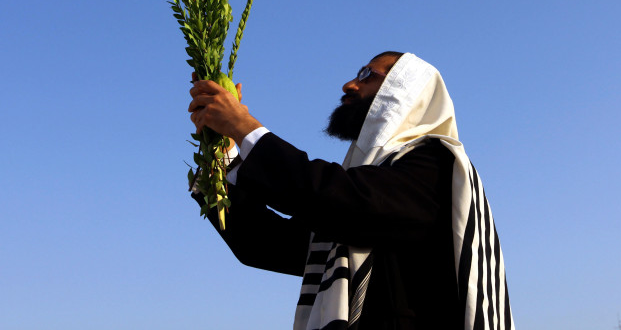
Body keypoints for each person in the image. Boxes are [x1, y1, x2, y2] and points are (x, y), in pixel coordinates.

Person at [188, 52, 514, 330]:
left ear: (406, 92)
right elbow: (270, 245)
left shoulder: (435, 165)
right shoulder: (365, 188)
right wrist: (223, 157)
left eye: (367, 74)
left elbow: (340, 199)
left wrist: (244, 126)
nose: (349, 84)